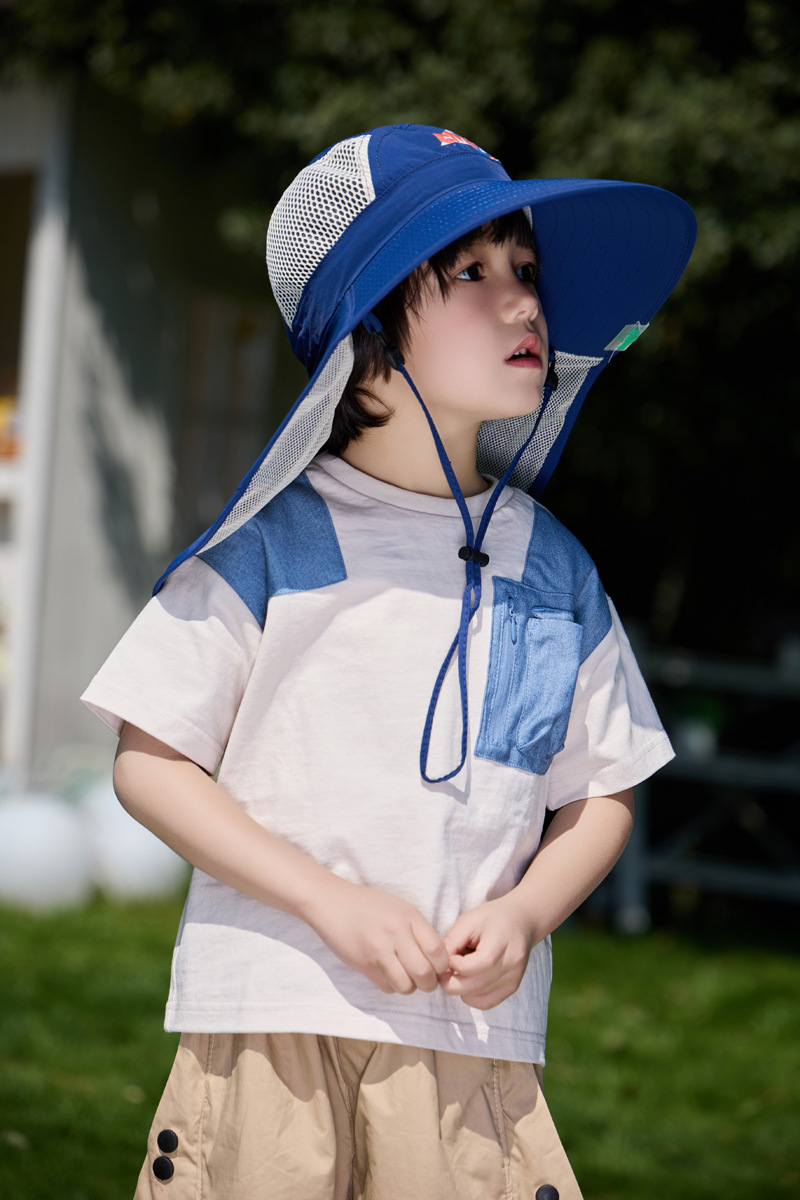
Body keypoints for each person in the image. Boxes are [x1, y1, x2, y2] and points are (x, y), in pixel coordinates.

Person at [82, 123, 696, 1200]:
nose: (523, 302)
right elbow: (152, 761)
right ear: (366, 334)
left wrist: (526, 914)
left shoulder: (554, 568)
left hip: (468, 1043)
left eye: (525, 269)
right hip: (271, 1020)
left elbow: (603, 790)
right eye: (471, 273)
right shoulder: (269, 549)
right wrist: (329, 901)